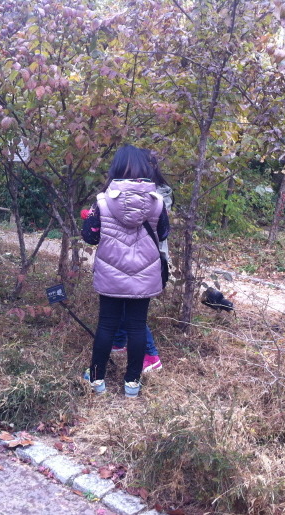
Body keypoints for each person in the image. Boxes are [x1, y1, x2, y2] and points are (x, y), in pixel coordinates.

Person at [82, 144, 169, 397]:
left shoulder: (102, 201)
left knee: (106, 325)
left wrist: (90, 219)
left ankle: (97, 378)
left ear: (116, 168)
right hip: (144, 275)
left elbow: (89, 237)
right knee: (137, 326)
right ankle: (132, 383)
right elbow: (163, 233)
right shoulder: (157, 202)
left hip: (111, 274)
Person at [110, 149, 172, 373]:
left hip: (147, 259)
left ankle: (151, 355)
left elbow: (152, 227)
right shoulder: (144, 192)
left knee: (133, 308)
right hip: (132, 256)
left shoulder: (157, 195)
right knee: (121, 300)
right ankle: (119, 341)